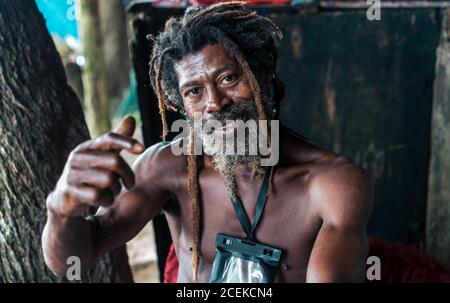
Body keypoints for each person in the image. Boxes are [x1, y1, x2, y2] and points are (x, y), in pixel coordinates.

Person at [42, 1, 372, 282]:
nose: (215, 103)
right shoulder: (167, 168)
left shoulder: (330, 183)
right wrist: (60, 209)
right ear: (181, 104)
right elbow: (72, 261)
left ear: (263, 74)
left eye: (229, 78)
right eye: (194, 92)